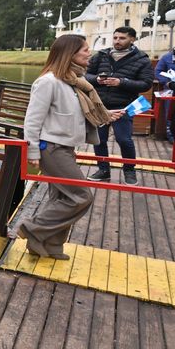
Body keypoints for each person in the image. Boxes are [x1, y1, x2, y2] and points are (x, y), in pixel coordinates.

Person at [19, 35, 122, 259]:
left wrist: (106, 114)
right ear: (70, 53)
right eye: (85, 49)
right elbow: (32, 120)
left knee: (63, 199)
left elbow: (78, 111)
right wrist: (32, 150)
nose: (89, 53)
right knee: (81, 196)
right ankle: (32, 228)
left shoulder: (74, 81)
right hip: (51, 148)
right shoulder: (48, 82)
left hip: (65, 147)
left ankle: (50, 245)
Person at [85, 26, 153, 185]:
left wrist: (121, 82)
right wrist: (96, 80)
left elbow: (146, 84)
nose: (117, 41)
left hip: (124, 106)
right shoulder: (101, 55)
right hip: (100, 105)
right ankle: (103, 170)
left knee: (124, 139)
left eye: (122, 38)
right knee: (99, 139)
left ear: (132, 39)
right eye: (115, 37)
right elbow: (85, 75)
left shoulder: (142, 59)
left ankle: (129, 170)